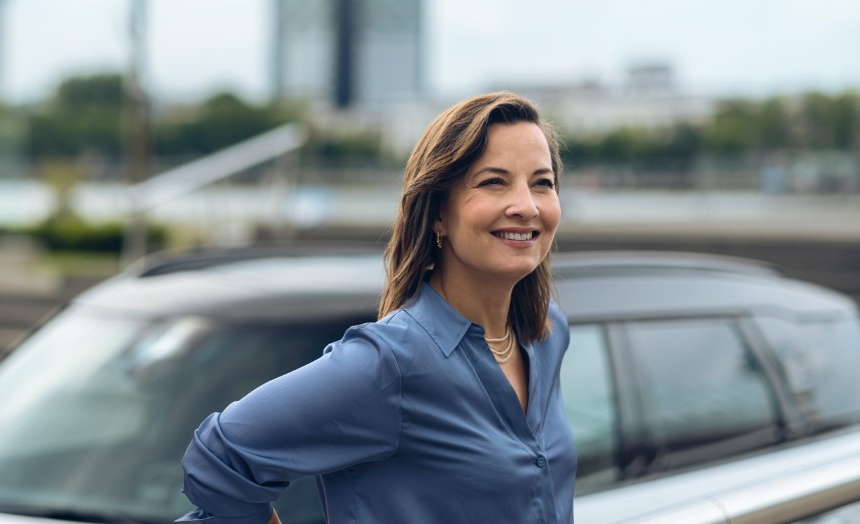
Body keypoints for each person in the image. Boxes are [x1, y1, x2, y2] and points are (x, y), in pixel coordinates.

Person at [177, 92, 575, 523]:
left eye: (542, 183)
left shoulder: (547, 333)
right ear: (438, 212)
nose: (526, 206)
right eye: (494, 182)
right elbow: (223, 457)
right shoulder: (391, 364)